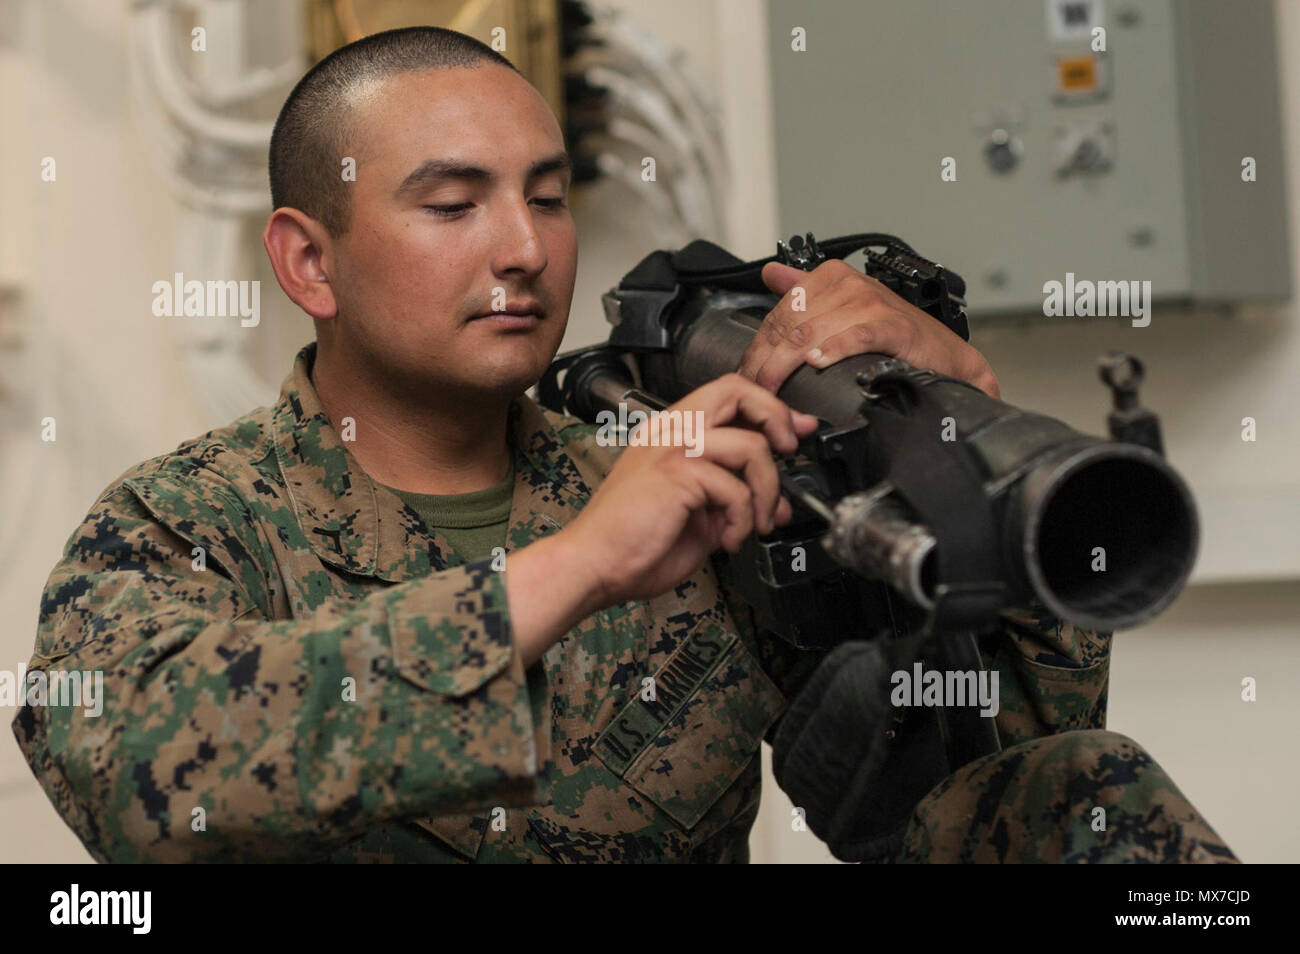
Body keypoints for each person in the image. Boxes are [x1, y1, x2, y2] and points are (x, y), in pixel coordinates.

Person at [11, 26, 1237, 863]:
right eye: (453, 204)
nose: (523, 248)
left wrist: (945, 445)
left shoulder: (694, 486)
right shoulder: (189, 521)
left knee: (1092, 792)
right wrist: (580, 564)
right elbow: (142, 771)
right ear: (308, 260)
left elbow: (978, 787)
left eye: (546, 197)